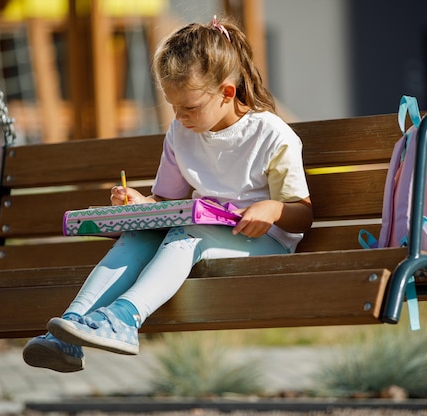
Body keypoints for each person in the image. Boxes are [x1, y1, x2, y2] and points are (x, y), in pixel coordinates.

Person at [22, 15, 313, 373]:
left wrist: (271, 209)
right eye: (172, 105)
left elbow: (302, 212)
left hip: (265, 243)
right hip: (199, 233)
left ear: (226, 92)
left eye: (189, 107)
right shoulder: (181, 132)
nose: (179, 116)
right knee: (139, 235)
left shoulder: (272, 135)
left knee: (186, 233)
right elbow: (166, 202)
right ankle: (69, 331)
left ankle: (125, 321)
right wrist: (140, 205)